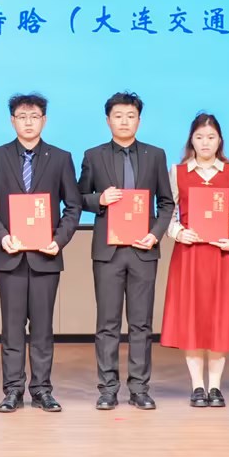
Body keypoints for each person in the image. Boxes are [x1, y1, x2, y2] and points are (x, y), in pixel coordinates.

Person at [0, 93, 82, 413]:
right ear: (12, 121)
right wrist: (1, 236)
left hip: (46, 257)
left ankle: (42, 390)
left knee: (43, 329)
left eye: (34, 116)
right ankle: (12, 390)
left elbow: (73, 206)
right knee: (12, 328)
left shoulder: (60, 158)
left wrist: (59, 240)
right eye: (22, 117)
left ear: (44, 120)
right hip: (10, 255)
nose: (29, 122)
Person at [76, 92, 175, 411]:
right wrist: (100, 200)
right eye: (118, 116)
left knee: (141, 323)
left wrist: (155, 235)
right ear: (108, 120)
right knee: (107, 323)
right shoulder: (93, 155)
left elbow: (167, 202)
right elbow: (77, 197)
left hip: (143, 249)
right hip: (108, 251)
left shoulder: (155, 155)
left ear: (139, 120)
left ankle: (139, 388)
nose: (124, 121)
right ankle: (107, 389)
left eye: (130, 116)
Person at [160, 113, 229, 407]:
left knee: (218, 320)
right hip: (190, 256)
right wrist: (178, 232)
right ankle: (197, 387)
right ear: (191, 140)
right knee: (193, 319)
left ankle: (215, 387)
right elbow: (167, 211)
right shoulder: (178, 172)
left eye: (211, 137)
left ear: (219, 140)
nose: (205, 143)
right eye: (199, 137)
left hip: (222, 256)